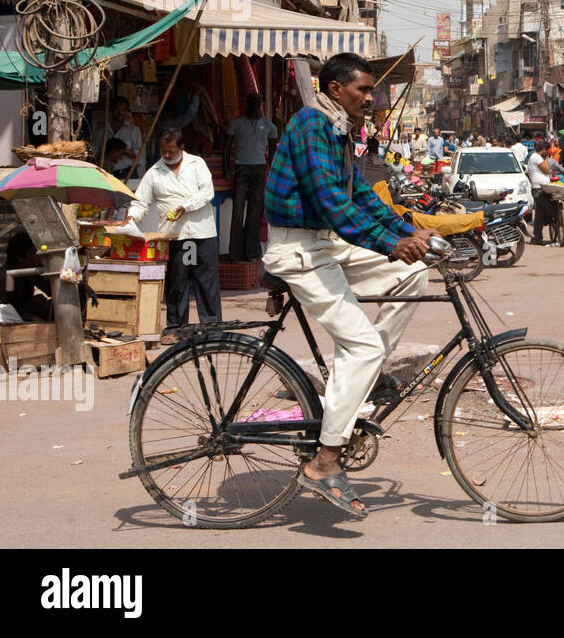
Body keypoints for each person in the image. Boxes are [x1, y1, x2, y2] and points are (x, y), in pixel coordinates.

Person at [263, 52, 441, 518]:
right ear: (336, 88)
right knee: (359, 345)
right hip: (299, 249)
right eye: (363, 90)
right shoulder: (310, 125)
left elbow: (360, 192)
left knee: (412, 272)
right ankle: (324, 462)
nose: (371, 98)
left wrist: (403, 229)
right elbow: (330, 201)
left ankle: (363, 379)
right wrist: (388, 243)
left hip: (326, 243)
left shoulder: (337, 125)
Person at [126, 128, 221, 343]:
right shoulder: (154, 172)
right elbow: (140, 202)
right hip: (174, 236)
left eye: (171, 151)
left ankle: (212, 330)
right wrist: (130, 219)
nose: (166, 155)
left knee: (206, 284)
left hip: (201, 233)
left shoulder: (197, 164)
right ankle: (176, 329)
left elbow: (207, 192)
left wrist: (185, 207)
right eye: (163, 151)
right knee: (177, 284)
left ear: (182, 148)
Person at [224, 93, 278, 263]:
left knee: (255, 211)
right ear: (247, 105)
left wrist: (273, 174)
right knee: (238, 211)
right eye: (253, 104)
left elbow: (273, 153)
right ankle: (235, 253)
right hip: (242, 168)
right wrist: (227, 169)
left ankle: (251, 252)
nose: (256, 107)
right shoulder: (237, 124)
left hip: (259, 169)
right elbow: (226, 148)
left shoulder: (270, 127)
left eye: (258, 104)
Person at [0, 233, 51, 321]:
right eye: (32, 253)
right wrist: (30, 318)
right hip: (12, 318)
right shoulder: (4, 278)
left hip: (25, 311)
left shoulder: (31, 268)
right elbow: (3, 311)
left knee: (41, 302)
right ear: (21, 257)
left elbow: (49, 289)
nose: (37, 256)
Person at [93, 95, 142, 178]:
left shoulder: (134, 130)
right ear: (111, 110)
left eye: (123, 110)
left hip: (128, 172)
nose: (120, 113)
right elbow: (95, 153)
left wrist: (123, 151)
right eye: (117, 109)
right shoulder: (101, 132)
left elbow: (139, 154)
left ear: (127, 111)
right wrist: (108, 152)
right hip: (107, 172)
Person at [526, 140, 555, 245]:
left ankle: (537, 238)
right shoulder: (537, 157)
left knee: (539, 215)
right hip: (539, 190)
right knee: (550, 210)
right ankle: (550, 221)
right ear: (543, 150)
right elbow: (547, 170)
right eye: (546, 150)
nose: (547, 152)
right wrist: (546, 157)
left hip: (540, 188)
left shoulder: (535, 157)